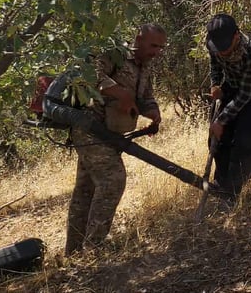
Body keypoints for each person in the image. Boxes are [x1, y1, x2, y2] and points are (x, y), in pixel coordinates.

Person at [46, 24, 166, 255]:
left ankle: (74, 252)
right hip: (90, 129)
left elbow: (145, 97)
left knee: (86, 189)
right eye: (153, 46)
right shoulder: (114, 54)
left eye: (161, 47)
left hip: (111, 134)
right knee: (112, 180)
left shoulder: (145, 67)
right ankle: (94, 248)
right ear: (138, 39)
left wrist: (153, 111)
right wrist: (119, 92)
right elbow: (90, 77)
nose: (157, 52)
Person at [205, 13, 251, 204]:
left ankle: (232, 192)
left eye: (225, 49)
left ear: (236, 35)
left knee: (247, 142)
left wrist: (221, 120)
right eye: (218, 49)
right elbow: (215, 64)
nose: (222, 53)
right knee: (218, 140)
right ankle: (221, 184)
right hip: (231, 86)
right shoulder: (213, 43)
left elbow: (245, 94)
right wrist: (215, 84)